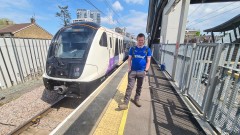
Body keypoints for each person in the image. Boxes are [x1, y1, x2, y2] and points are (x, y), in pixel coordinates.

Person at [118, 33, 152, 110]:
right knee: (129, 87)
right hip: (132, 71)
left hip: (141, 72)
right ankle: (125, 103)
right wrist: (129, 68)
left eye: (142, 40)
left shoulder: (147, 49)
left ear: (144, 40)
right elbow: (129, 59)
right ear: (137, 40)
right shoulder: (132, 49)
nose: (140, 42)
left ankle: (136, 99)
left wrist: (146, 70)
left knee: (139, 87)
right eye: (139, 40)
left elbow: (148, 61)